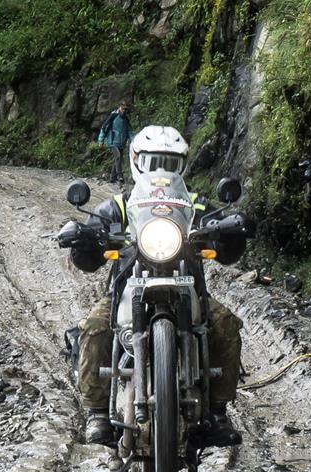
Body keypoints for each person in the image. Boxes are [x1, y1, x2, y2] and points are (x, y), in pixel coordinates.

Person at [69, 126, 247, 448]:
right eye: (154, 162)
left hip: (188, 285)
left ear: (182, 165)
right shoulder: (120, 206)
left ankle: (218, 413)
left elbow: (225, 241)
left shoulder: (196, 205)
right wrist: (83, 238)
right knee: (95, 326)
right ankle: (96, 412)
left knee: (225, 324)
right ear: (138, 161)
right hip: (126, 287)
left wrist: (230, 232)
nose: (161, 170)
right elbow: (89, 253)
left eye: (169, 162)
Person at [97, 100, 135, 186]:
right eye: (123, 109)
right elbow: (104, 127)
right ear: (120, 107)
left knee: (117, 159)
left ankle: (112, 178)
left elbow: (130, 132)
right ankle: (120, 176)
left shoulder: (126, 119)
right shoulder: (113, 116)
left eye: (126, 109)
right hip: (112, 142)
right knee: (118, 157)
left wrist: (134, 141)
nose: (124, 111)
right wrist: (101, 140)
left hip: (121, 143)